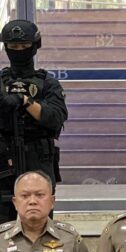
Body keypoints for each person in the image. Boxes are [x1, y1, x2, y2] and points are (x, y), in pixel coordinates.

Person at [0, 19, 68, 224]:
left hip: (38, 161)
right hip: (4, 163)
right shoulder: (1, 83)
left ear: (35, 46)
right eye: (13, 47)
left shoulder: (48, 83)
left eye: (24, 46)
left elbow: (55, 119)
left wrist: (25, 101)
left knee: (39, 223)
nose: (18, 51)